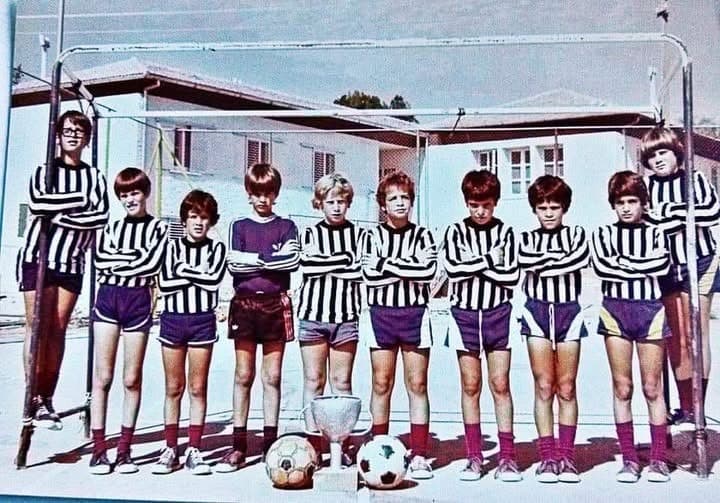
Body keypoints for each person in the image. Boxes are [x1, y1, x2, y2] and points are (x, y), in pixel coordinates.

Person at [16, 110, 109, 430]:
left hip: (70, 261)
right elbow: (37, 203)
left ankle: (47, 397)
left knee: (57, 329)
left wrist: (60, 212)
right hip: (37, 257)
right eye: (67, 130)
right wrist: (77, 203)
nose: (72, 135)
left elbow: (99, 218)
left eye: (79, 131)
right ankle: (33, 397)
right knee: (37, 326)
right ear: (58, 135)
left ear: (86, 138)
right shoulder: (45, 170)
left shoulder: (94, 177)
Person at [216, 163, 300, 472]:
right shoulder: (239, 226)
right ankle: (238, 446)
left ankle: (270, 442)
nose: (263, 200)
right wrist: (269, 260)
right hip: (245, 305)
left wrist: (255, 260)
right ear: (249, 194)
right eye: (257, 194)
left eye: (269, 194)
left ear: (276, 195)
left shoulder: (287, 226)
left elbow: (292, 261)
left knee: (272, 377)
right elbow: (233, 264)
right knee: (243, 375)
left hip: (275, 305)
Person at [591, 171, 672, 483]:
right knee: (622, 387)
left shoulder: (656, 233)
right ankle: (628, 459)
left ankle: (658, 460)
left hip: (650, 310)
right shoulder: (603, 233)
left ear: (643, 203)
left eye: (632, 201)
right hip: (615, 311)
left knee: (653, 387)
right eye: (620, 202)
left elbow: (660, 265)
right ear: (613, 204)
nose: (626, 207)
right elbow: (602, 267)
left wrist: (623, 264)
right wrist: (636, 266)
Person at [443, 169, 521, 482]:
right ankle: (474, 456)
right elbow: (454, 271)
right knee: (470, 385)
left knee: (500, 385)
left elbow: (511, 276)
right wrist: (490, 260)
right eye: (474, 204)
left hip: (497, 312)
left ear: (495, 202)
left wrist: (473, 263)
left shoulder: (506, 232)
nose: (480, 210)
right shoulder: (454, 232)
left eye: (486, 204)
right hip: (464, 314)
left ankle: (507, 456)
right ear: (466, 202)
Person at [88, 168, 167, 474]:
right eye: (123, 195)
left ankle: (124, 450)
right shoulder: (111, 227)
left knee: (131, 377)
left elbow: (151, 264)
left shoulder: (158, 228)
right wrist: (131, 258)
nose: (130, 199)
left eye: (134, 193)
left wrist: (124, 259)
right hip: (108, 299)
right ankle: (99, 449)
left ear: (144, 193)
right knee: (103, 376)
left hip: (137, 301)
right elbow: (100, 261)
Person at [641, 127, 720, 426]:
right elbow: (648, 221)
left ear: (676, 153)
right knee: (678, 337)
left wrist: (671, 215)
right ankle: (685, 406)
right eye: (652, 156)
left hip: (699, 261)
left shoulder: (695, 179)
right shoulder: (646, 188)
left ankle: (698, 406)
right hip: (667, 267)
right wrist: (680, 217)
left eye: (663, 152)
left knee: (697, 333)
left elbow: (712, 212)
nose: (658, 160)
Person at [362, 170, 437, 480]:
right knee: (382, 383)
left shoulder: (424, 235)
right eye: (393, 198)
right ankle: (378, 445)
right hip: (381, 314)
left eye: (404, 197)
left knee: (417, 384)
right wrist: (408, 268)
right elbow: (369, 277)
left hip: (415, 314)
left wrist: (387, 264)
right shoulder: (371, 236)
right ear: (383, 204)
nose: (400, 203)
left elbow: (428, 272)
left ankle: (419, 453)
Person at [518, 175, 590, 483]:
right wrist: (556, 261)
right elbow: (524, 260)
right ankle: (547, 456)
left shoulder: (576, 234)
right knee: (544, 386)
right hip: (536, 312)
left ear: (565, 208)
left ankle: (567, 456)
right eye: (542, 207)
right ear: (535, 209)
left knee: (567, 386)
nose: (548, 213)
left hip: (568, 312)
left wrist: (544, 263)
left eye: (555, 207)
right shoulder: (526, 238)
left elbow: (579, 258)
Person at [152, 190, 226, 475]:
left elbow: (213, 282)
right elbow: (167, 284)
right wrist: (195, 274)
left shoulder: (216, 249)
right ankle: (170, 447)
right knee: (173, 388)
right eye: (193, 216)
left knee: (197, 388)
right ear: (184, 219)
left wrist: (184, 272)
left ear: (211, 221)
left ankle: (194, 448)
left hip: (202, 321)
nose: (198, 223)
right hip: (173, 319)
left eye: (204, 217)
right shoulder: (170, 247)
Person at [297, 173, 363, 463]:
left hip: (345, 317)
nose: (336, 207)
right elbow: (308, 266)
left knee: (342, 382)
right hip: (313, 316)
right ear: (319, 203)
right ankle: (313, 445)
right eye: (330, 202)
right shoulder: (310, 233)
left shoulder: (359, 234)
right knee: (313, 381)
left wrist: (327, 263)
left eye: (341, 201)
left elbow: (358, 270)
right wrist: (341, 261)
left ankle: (342, 444)